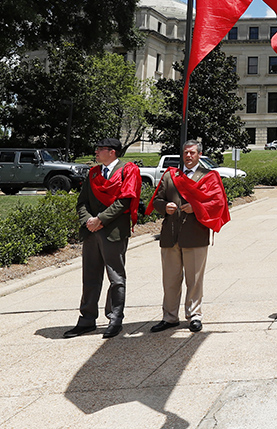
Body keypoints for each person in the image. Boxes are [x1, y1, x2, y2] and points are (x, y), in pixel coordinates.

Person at [148, 140, 230, 333]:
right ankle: (169, 317)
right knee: (170, 279)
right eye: (185, 153)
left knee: (194, 279)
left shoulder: (210, 177)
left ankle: (194, 315)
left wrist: (196, 207)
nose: (188, 156)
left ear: (199, 154)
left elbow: (218, 203)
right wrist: (163, 207)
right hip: (170, 235)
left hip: (195, 235)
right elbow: (157, 199)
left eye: (192, 153)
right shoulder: (170, 175)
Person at [64, 138, 142, 339]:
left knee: (116, 277)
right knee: (90, 277)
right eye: (96, 148)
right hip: (92, 231)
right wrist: (89, 220)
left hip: (113, 232)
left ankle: (115, 318)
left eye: (100, 149)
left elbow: (125, 200)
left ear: (113, 152)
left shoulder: (129, 170)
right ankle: (87, 320)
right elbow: (82, 202)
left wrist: (101, 219)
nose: (96, 152)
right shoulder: (93, 173)